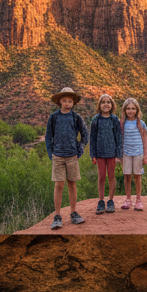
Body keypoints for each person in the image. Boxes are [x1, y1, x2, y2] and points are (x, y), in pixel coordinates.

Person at [45, 87, 88, 230]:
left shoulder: (76, 118)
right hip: (57, 156)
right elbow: (48, 137)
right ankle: (57, 215)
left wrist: (79, 150)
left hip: (72, 156)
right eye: (64, 101)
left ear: (73, 102)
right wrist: (51, 153)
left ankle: (73, 213)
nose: (67, 103)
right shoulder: (54, 117)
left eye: (70, 101)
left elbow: (84, 135)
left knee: (72, 184)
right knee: (59, 185)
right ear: (59, 102)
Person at [89, 93, 122, 214]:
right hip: (99, 153)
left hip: (112, 153)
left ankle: (111, 201)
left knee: (111, 176)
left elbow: (119, 138)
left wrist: (119, 154)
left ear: (112, 105)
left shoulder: (114, 120)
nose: (106, 104)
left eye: (108, 102)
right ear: (100, 105)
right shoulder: (95, 120)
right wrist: (92, 154)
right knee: (102, 176)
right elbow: (92, 138)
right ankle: (101, 201)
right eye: (103, 102)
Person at [119, 98, 147, 210]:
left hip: (138, 152)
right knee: (127, 175)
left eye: (133, 108)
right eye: (128, 109)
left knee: (137, 175)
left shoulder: (140, 123)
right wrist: (119, 154)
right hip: (126, 152)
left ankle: (138, 200)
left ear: (137, 110)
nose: (130, 111)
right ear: (125, 110)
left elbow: (145, 139)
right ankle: (128, 199)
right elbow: (120, 138)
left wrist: (145, 155)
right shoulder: (122, 123)